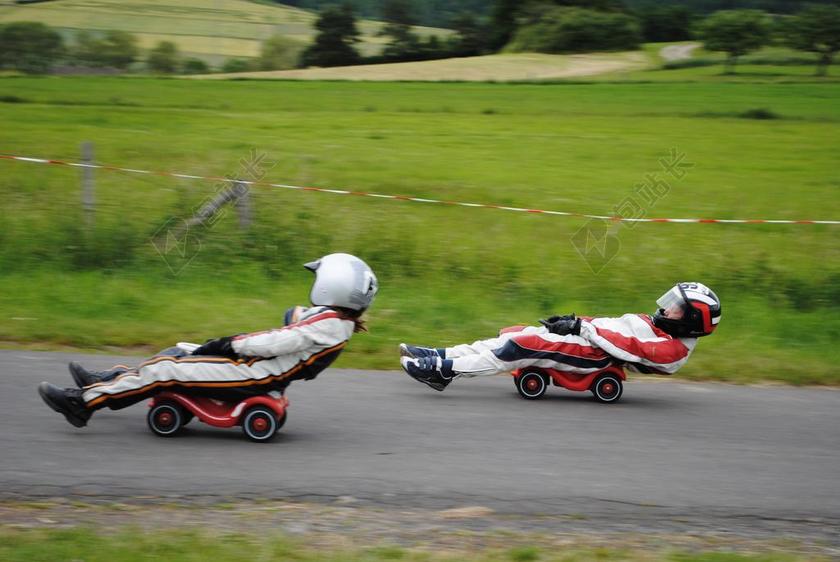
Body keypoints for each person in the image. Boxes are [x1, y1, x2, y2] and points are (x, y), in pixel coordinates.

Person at [38, 253, 379, 428]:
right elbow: (296, 322)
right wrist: (229, 345)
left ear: (331, 287)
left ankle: (81, 404)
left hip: (253, 374)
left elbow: (280, 342)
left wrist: (229, 344)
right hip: (257, 368)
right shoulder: (334, 321)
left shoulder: (331, 326)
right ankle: (107, 382)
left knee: (164, 371)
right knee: (177, 350)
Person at [400, 282, 720, 391]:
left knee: (518, 347)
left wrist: (580, 327)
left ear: (691, 320)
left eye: (677, 308)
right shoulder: (662, 328)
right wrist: (574, 323)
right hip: (589, 342)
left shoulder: (673, 349)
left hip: (593, 355)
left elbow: (627, 345)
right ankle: (440, 355)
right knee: (514, 333)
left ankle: (443, 373)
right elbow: (614, 327)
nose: (667, 309)